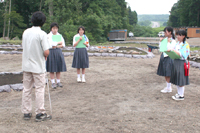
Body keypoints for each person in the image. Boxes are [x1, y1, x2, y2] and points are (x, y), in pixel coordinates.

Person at [21, 11, 51, 122]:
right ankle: (40, 112)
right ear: (43, 22)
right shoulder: (42, 34)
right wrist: (44, 55)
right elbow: (46, 51)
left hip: (26, 65)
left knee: (26, 89)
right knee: (39, 89)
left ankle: (26, 112)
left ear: (32, 20)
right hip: (38, 66)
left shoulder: (26, 32)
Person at [170, 30, 190, 100]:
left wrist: (173, 50)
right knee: (177, 78)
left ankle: (181, 95)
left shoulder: (185, 44)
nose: (178, 37)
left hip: (181, 63)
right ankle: (179, 93)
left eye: (179, 35)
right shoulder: (177, 43)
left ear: (184, 36)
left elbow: (183, 55)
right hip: (176, 61)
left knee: (181, 79)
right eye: (177, 35)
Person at [46, 22, 67, 89]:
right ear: (51, 29)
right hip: (51, 52)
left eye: (56, 28)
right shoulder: (48, 36)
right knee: (52, 68)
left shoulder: (59, 35)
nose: (55, 30)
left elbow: (63, 44)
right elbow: (50, 45)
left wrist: (56, 45)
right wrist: (57, 43)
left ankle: (58, 81)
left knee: (58, 68)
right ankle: (53, 82)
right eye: (53, 28)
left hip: (58, 52)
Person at [157, 27, 176, 93]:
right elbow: (161, 48)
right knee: (165, 72)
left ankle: (169, 87)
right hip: (164, 56)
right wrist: (161, 42)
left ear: (170, 32)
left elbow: (170, 49)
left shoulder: (173, 41)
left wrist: (167, 43)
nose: (165, 33)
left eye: (166, 32)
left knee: (168, 72)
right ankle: (168, 86)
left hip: (169, 56)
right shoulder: (165, 39)